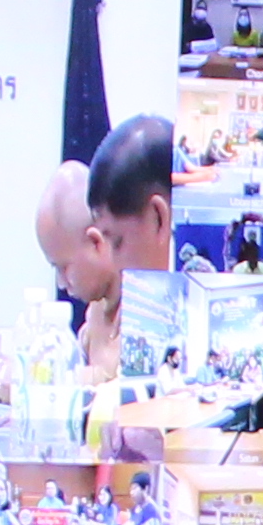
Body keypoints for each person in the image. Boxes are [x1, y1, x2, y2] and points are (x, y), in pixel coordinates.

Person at [36, 113, 176, 383]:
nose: (109, 257)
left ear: (159, 220)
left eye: (116, 240)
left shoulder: (179, 317)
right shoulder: (99, 314)